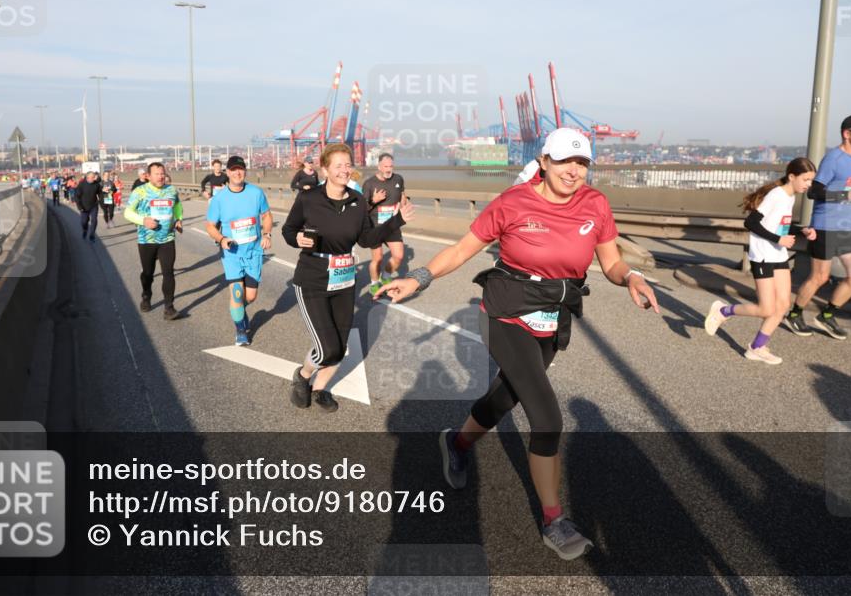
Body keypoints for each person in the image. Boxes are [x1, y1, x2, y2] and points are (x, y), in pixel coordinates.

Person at [376, 127, 660, 562]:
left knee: (506, 396)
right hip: (505, 314)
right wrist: (419, 277)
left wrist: (633, 279)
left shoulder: (595, 205)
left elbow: (613, 262)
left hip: (552, 318)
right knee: (546, 416)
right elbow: (462, 250)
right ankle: (554, 520)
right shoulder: (513, 203)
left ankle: (457, 443)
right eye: (565, 161)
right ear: (544, 162)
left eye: (582, 163)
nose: (574, 171)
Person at [282, 143, 415, 413]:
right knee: (327, 347)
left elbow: (367, 239)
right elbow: (288, 229)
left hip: (344, 280)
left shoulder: (358, 202)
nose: (344, 170)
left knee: (340, 347)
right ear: (325, 170)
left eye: (348, 164)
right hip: (313, 279)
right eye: (338, 165)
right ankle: (303, 375)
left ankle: (320, 389)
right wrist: (295, 238)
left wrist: (396, 220)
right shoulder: (309, 199)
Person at [704, 158, 818, 364]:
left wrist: (801, 230)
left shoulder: (790, 197)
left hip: (779, 255)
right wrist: (779, 239)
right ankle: (723, 311)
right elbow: (751, 222)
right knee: (766, 309)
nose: (808, 184)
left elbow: (778, 226)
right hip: (764, 256)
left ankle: (756, 348)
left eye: (811, 180)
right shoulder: (777, 195)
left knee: (782, 306)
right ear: (792, 176)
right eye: (806, 179)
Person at [785, 114, 851, 340]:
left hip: (848, 227)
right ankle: (795, 314)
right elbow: (813, 192)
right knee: (820, 277)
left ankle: (826, 316)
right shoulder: (833, 159)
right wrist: (847, 194)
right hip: (826, 226)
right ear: (847, 134)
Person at [205, 156, 272, 346]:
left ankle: (239, 311)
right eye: (233, 169)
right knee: (236, 293)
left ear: (245, 171)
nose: (237, 173)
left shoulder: (256, 193)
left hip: (254, 252)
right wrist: (221, 239)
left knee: (250, 296)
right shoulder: (219, 199)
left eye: (240, 169)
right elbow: (210, 226)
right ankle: (240, 330)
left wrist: (267, 234)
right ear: (227, 172)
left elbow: (266, 215)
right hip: (232, 253)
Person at [124, 162, 184, 320]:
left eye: (162, 173)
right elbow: (127, 213)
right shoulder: (140, 191)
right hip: (146, 240)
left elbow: (177, 205)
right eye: (157, 174)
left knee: (168, 273)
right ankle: (146, 294)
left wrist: (178, 219)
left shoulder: (171, 190)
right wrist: (143, 220)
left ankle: (169, 308)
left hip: (167, 238)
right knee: (148, 273)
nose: (161, 176)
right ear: (148, 176)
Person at [362, 153, 407, 295]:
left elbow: (402, 195)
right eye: (385, 166)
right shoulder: (369, 183)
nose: (389, 169)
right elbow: (362, 209)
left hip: (392, 224)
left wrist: (402, 207)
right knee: (378, 258)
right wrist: (374, 200)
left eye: (391, 166)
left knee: (398, 256)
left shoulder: (398, 179)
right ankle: (374, 283)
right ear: (379, 167)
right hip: (375, 226)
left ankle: (386, 277)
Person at [74, 171, 103, 241]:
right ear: (88, 178)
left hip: (94, 206)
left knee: (94, 220)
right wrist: (79, 207)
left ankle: (92, 235)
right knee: (84, 222)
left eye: (94, 177)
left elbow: (100, 193)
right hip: (83, 207)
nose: (94, 178)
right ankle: (85, 230)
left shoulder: (97, 184)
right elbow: (77, 196)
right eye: (93, 177)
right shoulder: (81, 185)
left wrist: (100, 201)